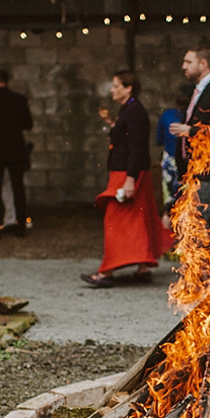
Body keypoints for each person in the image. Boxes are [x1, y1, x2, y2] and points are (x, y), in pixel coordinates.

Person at [81, 71, 172, 288]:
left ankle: (107, 271)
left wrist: (130, 179)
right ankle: (142, 267)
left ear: (128, 88)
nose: (112, 90)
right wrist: (113, 123)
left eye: (115, 85)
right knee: (139, 221)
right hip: (128, 173)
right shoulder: (129, 110)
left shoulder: (134, 111)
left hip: (128, 175)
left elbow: (137, 146)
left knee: (115, 220)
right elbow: (127, 139)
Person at [168, 45, 210, 227]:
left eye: (189, 62)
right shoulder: (198, 90)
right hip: (196, 171)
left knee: (195, 228)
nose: (184, 66)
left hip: (209, 170)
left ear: (203, 64)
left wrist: (190, 131)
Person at [0, 69, 33, 236]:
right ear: (8, 81)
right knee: (18, 188)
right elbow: (28, 124)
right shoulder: (19, 99)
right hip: (15, 148)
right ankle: (21, 226)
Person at [155, 85, 191, 222]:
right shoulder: (192, 118)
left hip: (169, 160)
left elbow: (158, 140)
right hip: (187, 162)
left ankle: (167, 219)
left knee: (169, 196)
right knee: (186, 195)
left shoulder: (167, 115)